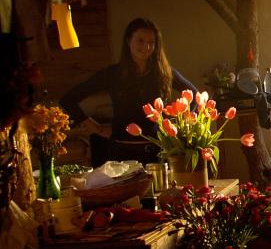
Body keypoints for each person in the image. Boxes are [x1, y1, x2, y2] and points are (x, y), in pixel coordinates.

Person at [60, 17, 197, 164]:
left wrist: (178, 125)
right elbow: (68, 99)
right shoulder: (112, 74)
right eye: (140, 41)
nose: (146, 47)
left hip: (157, 153)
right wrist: (96, 127)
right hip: (122, 153)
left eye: (151, 42)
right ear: (128, 41)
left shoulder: (164, 73)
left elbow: (195, 95)